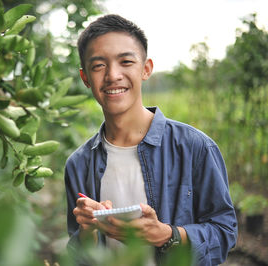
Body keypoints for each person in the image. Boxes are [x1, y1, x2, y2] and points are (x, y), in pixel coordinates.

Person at [64, 14, 237, 265]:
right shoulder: (78, 164)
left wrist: (167, 235)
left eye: (125, 61)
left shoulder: (195, 148)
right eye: (99, 65)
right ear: (85, 78)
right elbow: (79, 257)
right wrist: (88, 231)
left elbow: (225, 233)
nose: (113, 75)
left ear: (145, 69)